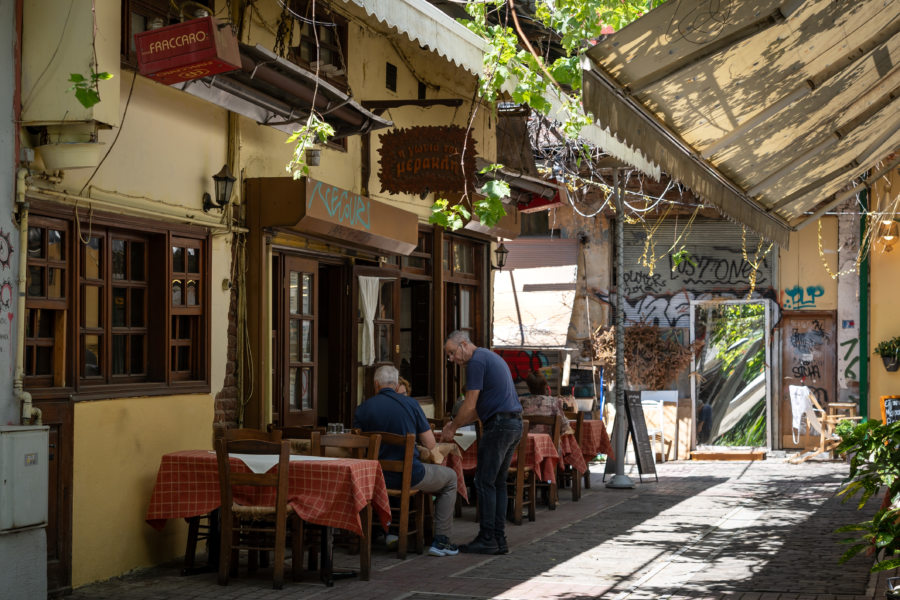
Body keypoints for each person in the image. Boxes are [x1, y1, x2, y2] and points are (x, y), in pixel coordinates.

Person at [353, 364, 459, 557]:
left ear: (376, 385)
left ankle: (386, 532)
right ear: (395, 385)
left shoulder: (362, 409)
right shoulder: (411, 404)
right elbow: (430, 443)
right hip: (409, 476)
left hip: (373, 478)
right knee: (451, 478)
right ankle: (441, 541)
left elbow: (358, 445)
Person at [440, 330, 522, 555]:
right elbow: (477, 411)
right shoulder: (489, 356)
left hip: (499, 426)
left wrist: (452, 427)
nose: (451, 359)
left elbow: (470, 404)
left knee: (484, 482)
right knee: (497, 482)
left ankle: (488, 538)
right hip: (513, 423)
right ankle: (499, 539)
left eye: (451, 353)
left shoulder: (475, 362)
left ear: (464, 345)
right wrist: (455, 424)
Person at [519, 371, 574, 436]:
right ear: (545, 386)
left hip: (526, 444)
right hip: (550, 444)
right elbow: (565, 426)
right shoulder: (555, 402)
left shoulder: (521, 403)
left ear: (529, 388)